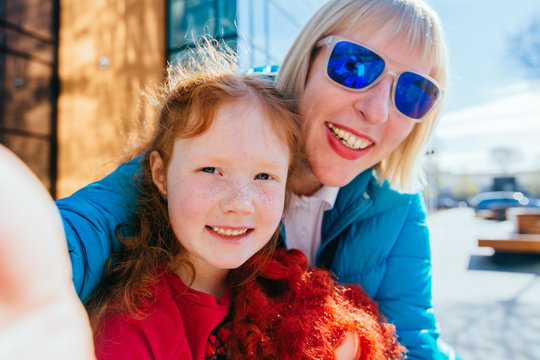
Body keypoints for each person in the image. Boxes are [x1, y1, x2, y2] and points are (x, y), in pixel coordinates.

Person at [57, 1, 459, 358]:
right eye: (354, 65)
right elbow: (85, 229)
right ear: (309, 58)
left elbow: (414, 339)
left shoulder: (398, 202)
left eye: (414, 93)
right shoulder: (226, 121)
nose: (377, 111)